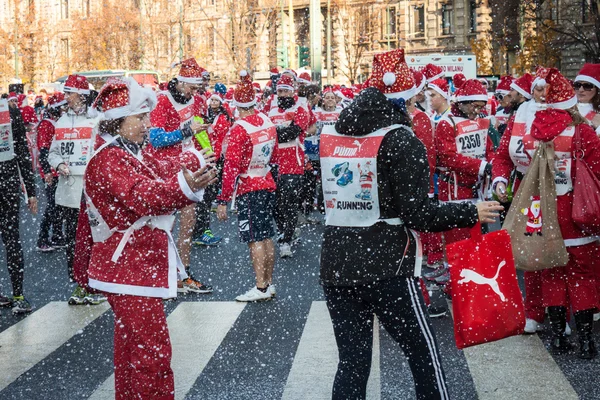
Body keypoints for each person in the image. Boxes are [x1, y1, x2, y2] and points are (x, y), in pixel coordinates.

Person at [319, 49, 503, 400]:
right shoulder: (402, 140)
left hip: (337, 264)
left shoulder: (333, 135)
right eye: (417, 95)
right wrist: (470, 212)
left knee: (352, 363)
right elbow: (420, 214)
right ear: (403, 98)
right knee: (422, 353)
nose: (421, 101)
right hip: (386, 264)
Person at [84, 77, 217, 399]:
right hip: (128, 268)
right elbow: (142, 194)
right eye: (140, 118)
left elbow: (161, 165)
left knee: (133, 352)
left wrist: (195, 160)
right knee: (152, 356)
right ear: (118, 121)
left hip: (130, 267)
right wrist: (188, 185)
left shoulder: (126, 152)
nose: (148, 124)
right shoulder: (110, 158)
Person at [511, 69, 600, 358]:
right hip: (576, 214)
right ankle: (587, 342)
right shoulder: (582, 131)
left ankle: (558, 338)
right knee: (581, 276)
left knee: (551, 273)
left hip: (542, 211)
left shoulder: (535, 129)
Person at [148, 58, 213, 294]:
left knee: (188, 222)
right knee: (164, 224)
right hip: (165, 168)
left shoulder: (195, 100)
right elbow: (155, 140)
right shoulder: (162, 101)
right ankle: (161, 275)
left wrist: (208, 154)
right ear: (182, 82)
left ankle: (183, 273)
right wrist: (185, 131)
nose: (196, 92)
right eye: (193, 88)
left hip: (189, 166)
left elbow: (198, 132)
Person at [216, 71, 279, 302]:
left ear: (236, 105)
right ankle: (268, 283)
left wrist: (223, 199)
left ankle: (261, 287)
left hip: (249, 187)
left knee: (254, 238)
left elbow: (230, 167)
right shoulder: (267, 121)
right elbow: (276, 153)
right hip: (266, 181)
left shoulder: (239, 129)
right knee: (267, 235)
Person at [47, 75, 105, 305]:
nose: (65, 97)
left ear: (81, 95)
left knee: (94, 238)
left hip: (92, 189)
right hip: (69, 191)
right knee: (73, 240)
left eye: (69, 93)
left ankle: (94, 284)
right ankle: (80, 284)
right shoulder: (61, 121)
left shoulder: (97, 120)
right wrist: (59, 164)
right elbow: (52, 153)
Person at [0, 96, 37, 314]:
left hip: (7, 182)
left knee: (12, 239)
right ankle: (18, 295)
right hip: (7, 181)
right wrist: (30, 191)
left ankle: (17, 294)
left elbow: (21, 150)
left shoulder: (10, 111)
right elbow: (22, 151)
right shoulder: (9, 110)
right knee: (12, 238)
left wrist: (31, 190)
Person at [267, 74, 310, 258]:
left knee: (289, 204)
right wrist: (280, 131)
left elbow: (292, 133)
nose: (282, 94)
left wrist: (278, 131)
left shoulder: (301, 107)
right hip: (274, 163)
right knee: (276, 205)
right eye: (280, 91)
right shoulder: (271, 109)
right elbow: (268, 132)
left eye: (286, 91)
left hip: (293, 164)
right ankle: (286, 232)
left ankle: (285, 240)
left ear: (292, 91)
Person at [192, 91, 233, 246]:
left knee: (206, 198)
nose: (209, 103)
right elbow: (205, 141)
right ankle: (200, 232)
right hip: (203, 161)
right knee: (203, 198)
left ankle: (201, 231)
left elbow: (218, 137)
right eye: (208, 101)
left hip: (209, 160)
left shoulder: (215, 117)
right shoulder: (198, 119)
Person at [36, 92, 67, 252]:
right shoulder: (47, 125)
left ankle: (57, 236)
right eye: (62, 107)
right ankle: (43, 238)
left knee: (58, 206)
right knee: (52, 207)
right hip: (51, 172)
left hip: (58, 171)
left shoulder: (55, 122)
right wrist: (47, 171)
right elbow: (43, 150)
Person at [574, 63, 600, 134]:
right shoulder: (566, 109)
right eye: (577, 85)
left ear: (597, 90)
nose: (580, 90)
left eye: (587, 86)